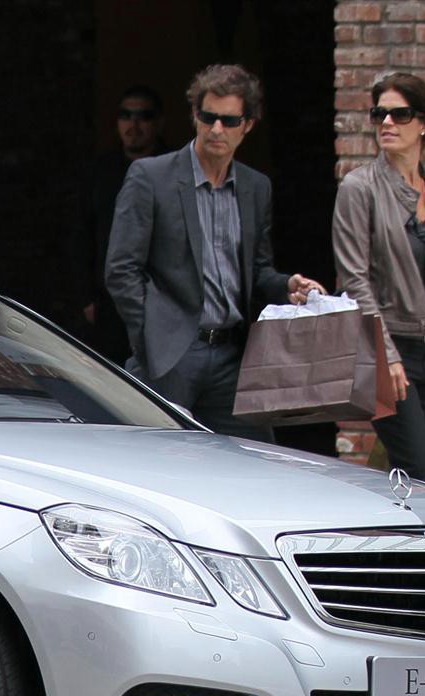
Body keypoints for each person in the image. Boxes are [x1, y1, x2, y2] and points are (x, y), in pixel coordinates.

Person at [105, 64, 322, 438]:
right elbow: (121, 269)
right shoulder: (151, 177)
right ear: (194, 115)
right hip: (172, 353)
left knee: (251, 465)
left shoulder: (256, 188)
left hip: (232, 355)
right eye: (208, 117)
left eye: (228, 120)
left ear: (248, 125)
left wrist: (287, 286)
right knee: (165, 465)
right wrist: (152, 340)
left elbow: (256, 270)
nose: (217, 129)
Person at [332, 72, 425, 486]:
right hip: (390, 350)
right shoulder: (359, 188)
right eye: (380, 114)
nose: (387, 123)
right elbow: (354, 279)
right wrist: (387, 354)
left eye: (399, 114)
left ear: (424, 122)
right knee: (421, 474)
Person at [81, 84, 165, 365]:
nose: (134, 124)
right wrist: (85, 297)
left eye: (144, 116)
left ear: (158, 122)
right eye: (126, 115)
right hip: (110, 304)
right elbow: (82, 234)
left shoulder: (174, 171)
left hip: (162, 301)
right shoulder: (101, 172)